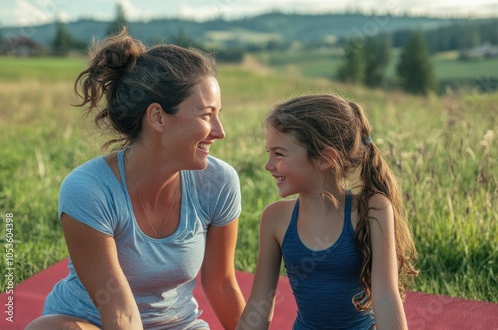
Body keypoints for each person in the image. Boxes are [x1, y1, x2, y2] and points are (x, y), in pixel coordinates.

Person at [26, 29, 245, 330]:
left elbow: (222, 285)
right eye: (207, 115)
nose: (220, 131)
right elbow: (119, 312)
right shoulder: (89, 190)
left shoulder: (219, 181)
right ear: (157, 117)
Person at [237, 93, 419, 330]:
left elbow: (386, 297)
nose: (268, 165)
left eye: (279, 154)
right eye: (268, 153)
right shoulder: (275, 218)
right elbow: (259, 304)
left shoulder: (372, 209)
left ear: (325, 159)